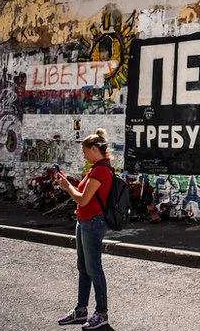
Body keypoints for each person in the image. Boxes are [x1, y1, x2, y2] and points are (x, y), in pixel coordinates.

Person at [55, 129, 114, 329]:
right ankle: (81, 310)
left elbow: (82, 199)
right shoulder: (95, 168)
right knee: (83, 267)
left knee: (94, 268)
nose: (84, 155)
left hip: (93, 223)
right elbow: (83, 195)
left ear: (95, 148)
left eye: (85, 151)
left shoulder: (100, 171)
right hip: (84, 221)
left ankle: (102, 313)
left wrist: (66, 186)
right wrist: (70, 186)